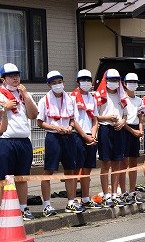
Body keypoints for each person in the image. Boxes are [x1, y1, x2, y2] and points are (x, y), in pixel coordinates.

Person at [37, 70, 82, 215]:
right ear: (49, 84)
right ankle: (47, 204)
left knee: (70, 170)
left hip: (68, 136)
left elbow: (73, 119)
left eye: (60, 82)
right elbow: (40, 122)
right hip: (53, 137)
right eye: (54, 83)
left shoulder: (70, 99)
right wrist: (55, 127)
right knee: (48, 171)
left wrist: (70, 127)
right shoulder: (44, 100)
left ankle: (71, 202)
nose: (58, 85)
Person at [0, 63, 39, 220]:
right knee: (4, 178)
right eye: (11, 76)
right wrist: (5, 108)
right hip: (6, 140)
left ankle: (23, 208)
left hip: (24, 140)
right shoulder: (1, 94)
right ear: (3, 79)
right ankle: (4, 210)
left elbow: (33, 114)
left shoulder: (23, 94)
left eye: (17, 75)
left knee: (22, 177)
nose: (15, 78)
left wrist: (26, 95)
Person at [95, 69, 128, 207]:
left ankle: (115, 193)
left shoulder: (122, 94)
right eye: (111, 80)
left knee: (117, 163)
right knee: (106, 163)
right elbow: (95, 115)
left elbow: (125, 114)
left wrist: (122, 121)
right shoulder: (99, 95)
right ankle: (106, 194)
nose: (113, 83)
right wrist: (107, 117)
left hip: (118, 129)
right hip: (105, 128)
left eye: (116, 80)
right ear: (105, 80)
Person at [70, 69, 102, 209]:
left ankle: (85, 198)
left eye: (88, 80)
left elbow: (95, 119)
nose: (86, 82)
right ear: (77, 82)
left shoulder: (92, 97)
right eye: (83, 80)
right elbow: (73, 120)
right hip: (78, 135)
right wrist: (84, 136)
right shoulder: (72, 97)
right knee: (76, 169)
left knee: (88, 168)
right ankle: (74, 199)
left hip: (91, 135)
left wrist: (93, 135)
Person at [119, 73, 145, 204]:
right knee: (123, 162)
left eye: (135, 82)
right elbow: (121, 119)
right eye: (130, 82)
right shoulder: (122, 98)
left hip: (135, 129)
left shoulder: (139, 100)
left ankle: (132, 191)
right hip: (125, 129)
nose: (133, 84)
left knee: (134, 162)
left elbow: (141, 117)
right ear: (124, 83)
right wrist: (133, 131)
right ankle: (123, 192)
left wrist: (140, 131)